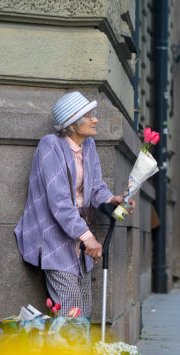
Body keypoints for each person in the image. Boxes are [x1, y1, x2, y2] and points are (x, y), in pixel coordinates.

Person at [15, 92, 134, 318]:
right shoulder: (50, 146)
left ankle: (78, 353)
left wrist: (112, 200)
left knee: (84, 308)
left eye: (94, 115)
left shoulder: (88, 146)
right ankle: (69, 353)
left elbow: (96, 187)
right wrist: (87, 237)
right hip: (54, 237)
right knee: (72, 310)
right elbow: (59, 201)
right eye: (89, 115)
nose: (95, 120)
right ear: (71, 122)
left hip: (80, 237)